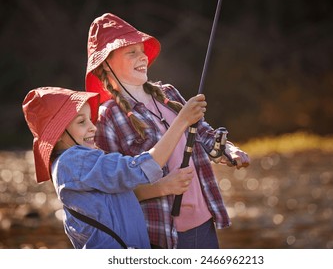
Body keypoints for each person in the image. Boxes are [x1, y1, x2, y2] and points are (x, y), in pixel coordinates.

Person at [85, 13, 250, 249]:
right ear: (106, 65)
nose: (142, 56)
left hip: (204, 223)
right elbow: (110, 193)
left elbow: (203, 133)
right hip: (161, 236)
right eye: (131, 52)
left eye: (142, 50)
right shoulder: (106, 117)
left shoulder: (168, 93)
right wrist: (161, 187)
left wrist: (229, 150)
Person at [22, 86, 206, 249]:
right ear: (59, 134)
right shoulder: (74, 160)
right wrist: (181, 121)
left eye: (90, 119)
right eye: (81, 122)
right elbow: (141, 168)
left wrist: (162, 187)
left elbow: (114, 197)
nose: (93, 127)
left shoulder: (70, 164)